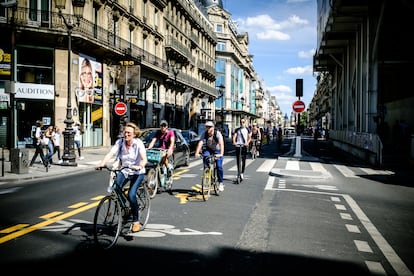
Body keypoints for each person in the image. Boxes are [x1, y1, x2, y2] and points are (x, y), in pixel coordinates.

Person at [96, 122, 147, 233]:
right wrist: (102, 163)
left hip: (137, 172)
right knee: (115, 189)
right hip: (124, 170)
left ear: (134, 134)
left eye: (129, 133)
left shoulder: (138, 144)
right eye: (125, 132)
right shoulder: (120, 142)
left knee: (131, 194)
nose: (126, 134)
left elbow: (144, 159)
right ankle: (125, 209)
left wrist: (140, 166)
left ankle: (136, 221)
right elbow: (110, 154)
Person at [194, 121, 225, 192]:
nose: (208, 128)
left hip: (217, 150)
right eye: (207, 127)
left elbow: (221, 144)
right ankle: (208, 172)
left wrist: (221, 154)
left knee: (219, 166)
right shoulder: (204, 134)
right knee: (205, 157)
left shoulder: (217, 134)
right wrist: (197, 153)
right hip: (209, 150)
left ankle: (220, 182)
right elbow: (200, 143)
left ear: (213, 127)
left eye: (209, 127)